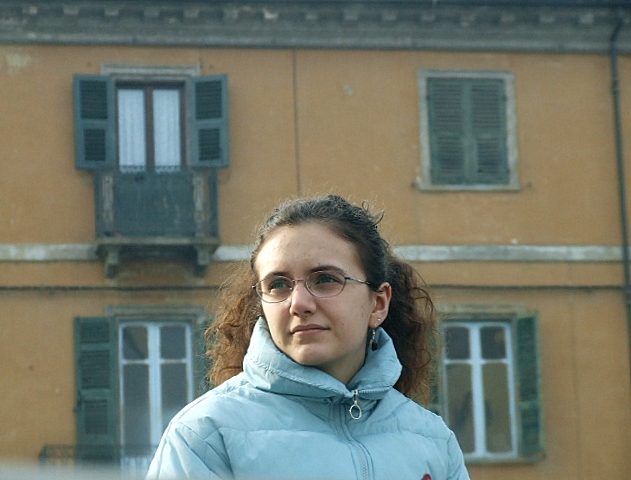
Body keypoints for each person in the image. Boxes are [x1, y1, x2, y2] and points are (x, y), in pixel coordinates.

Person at [146, 194, 470, 480]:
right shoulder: (204, 435)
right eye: (278, 285)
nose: (299, 303)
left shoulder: (433, 441)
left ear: (378, 303)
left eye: (325, 279)